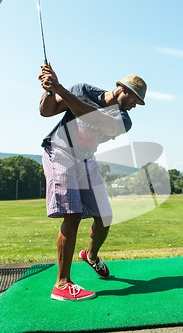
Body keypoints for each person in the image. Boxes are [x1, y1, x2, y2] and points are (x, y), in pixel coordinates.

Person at [38, 63, 147, 301]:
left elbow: (95, 119)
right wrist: (49, 89)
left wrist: (61, 89)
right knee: (73, 213)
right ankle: (62, 284)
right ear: (122, 88)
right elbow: (46, 112)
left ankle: (91, 255)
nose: (134, 106)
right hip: (61, 151)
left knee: (104, 218)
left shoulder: (124, 120)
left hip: (86, 160)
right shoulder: (81, 89)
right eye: (135, 99)